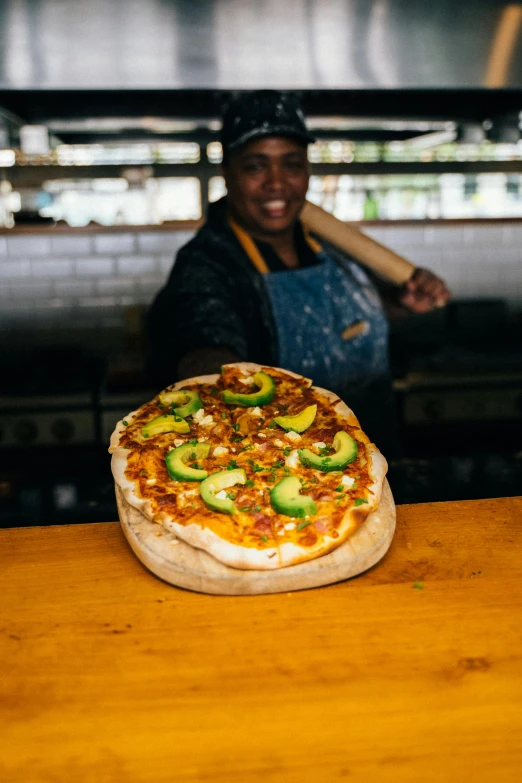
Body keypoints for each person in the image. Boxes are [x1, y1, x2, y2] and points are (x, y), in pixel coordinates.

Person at [146, 90, 450, 457]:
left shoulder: (330, 242)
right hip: (290, 470)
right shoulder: (206, 262)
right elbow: (203, 335)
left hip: (378, 451)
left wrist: (398, 302)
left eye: (290, 163)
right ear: (227, 172)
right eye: (256, 165)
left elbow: (341, 322)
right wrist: (208, 371)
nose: (277, 183)